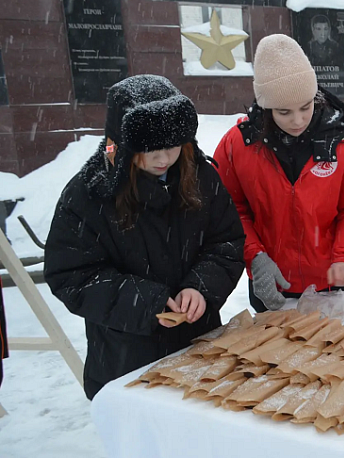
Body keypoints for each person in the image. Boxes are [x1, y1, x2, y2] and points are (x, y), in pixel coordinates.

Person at [44, 75, 245, 400]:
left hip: (200, 352)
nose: (164, 158)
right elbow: (71, 275)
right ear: (122, 143)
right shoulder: (89, 193)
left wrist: (201, 286)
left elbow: (226, 243)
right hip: (126, 361)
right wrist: (144, 302)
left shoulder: (202, 176)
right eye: (150, 150)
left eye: (172, 146)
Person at [214, 34, 344, 313]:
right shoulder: (237, 145)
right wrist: (255, 256)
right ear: (266, 108)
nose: (298, 120)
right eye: (284, 112)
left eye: (305, 107)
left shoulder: (343, 145)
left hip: (335, 287)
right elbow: (228, 211)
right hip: (273, 286)